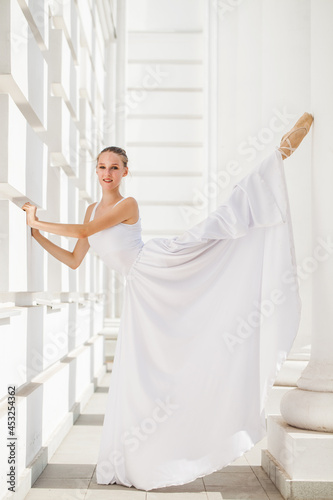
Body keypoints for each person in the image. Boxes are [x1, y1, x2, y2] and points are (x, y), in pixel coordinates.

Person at [22, 112, 313, 491]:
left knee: (216, 233)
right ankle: (143, 454)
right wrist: (38, 237)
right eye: (101, 167)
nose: (106, 173)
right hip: (140, 290)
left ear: (125, 171)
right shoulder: (91, 209)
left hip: (157, 266)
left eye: (113, 167)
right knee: (144, 373)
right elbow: (75, 259)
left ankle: (275, 160)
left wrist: (37, 221)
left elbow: (84, 233)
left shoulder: (127, 204)